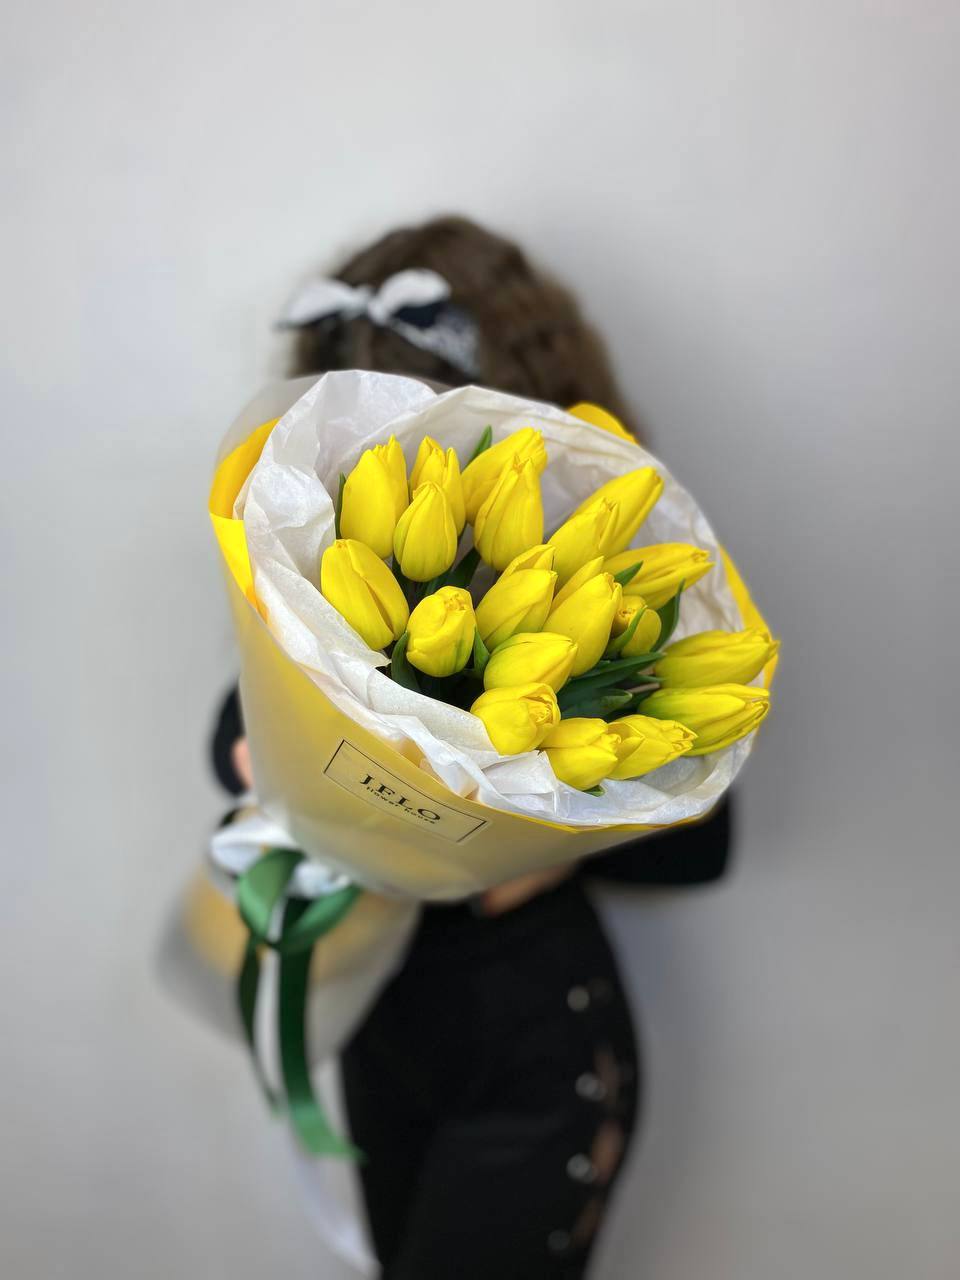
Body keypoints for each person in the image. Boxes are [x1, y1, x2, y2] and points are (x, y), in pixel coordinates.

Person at [212, 215, 732, 1279]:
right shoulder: (318, 557)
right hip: (380, 1023)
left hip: (532, 1041)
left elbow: (700, 842)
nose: (390, 472)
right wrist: (272, 775)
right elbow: (239, 724)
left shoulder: (608, 584)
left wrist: (526, 847)